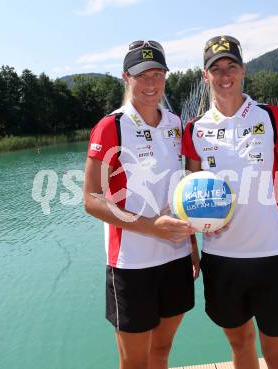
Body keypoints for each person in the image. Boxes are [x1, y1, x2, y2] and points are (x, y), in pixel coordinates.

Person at [182, 36, 278, 369]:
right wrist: (192, 248)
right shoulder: (194, 130)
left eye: (231, 66)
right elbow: (188, 197)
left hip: (272, 258)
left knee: (277, 355)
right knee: (241, 348)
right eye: (216, 69)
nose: (225, 74)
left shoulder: (271, 118)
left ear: (243, 70)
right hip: (221, 262)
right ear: (205, 76)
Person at [83, 40, 199, 369]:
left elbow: (180, 189)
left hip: (175, 257)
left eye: (158, 74)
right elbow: (91, 199)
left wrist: (191, 242)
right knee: (134, 363)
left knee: (161, 352)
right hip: (130, 265)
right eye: (142, 75)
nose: (151, 84)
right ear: (126, 78)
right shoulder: (112, 126)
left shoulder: (175, 125)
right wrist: (152, 228)